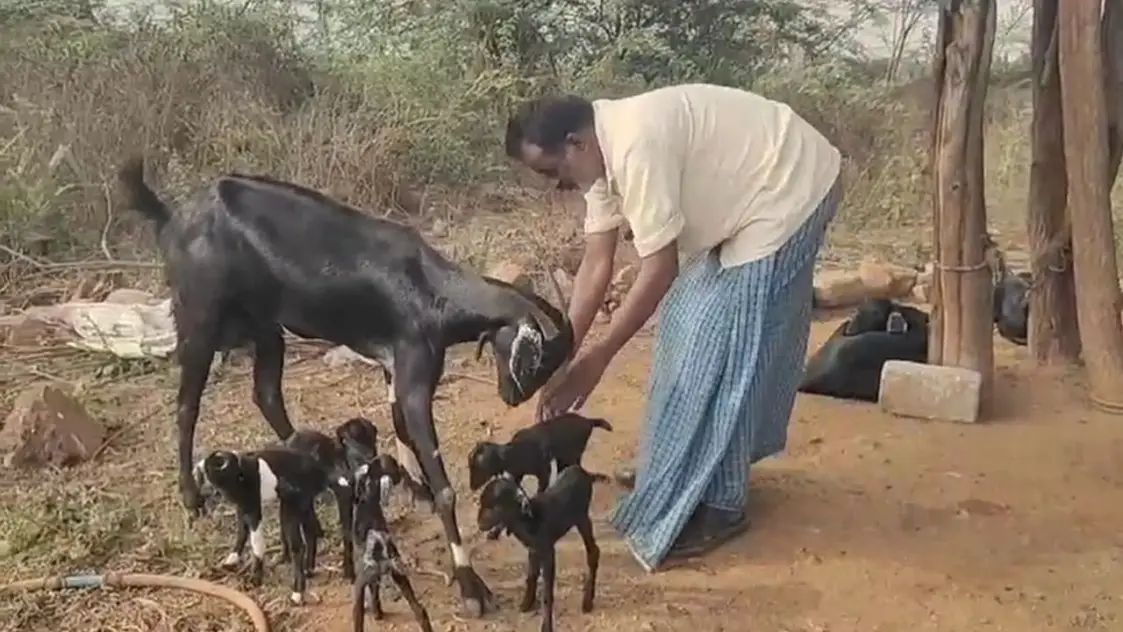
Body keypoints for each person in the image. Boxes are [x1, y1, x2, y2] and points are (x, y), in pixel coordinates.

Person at [504, 83, 842, 572]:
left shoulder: (635, 143)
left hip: (790, 189)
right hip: (752, 198)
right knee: (685, 328)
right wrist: (567, 354)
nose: (554, 183)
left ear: (575, 144)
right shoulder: (598, 152)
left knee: (725, 348)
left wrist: (598, 360)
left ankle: (723, 506)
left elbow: (659, 269)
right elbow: (597, 263)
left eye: (551, 171)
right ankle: (680, 467)